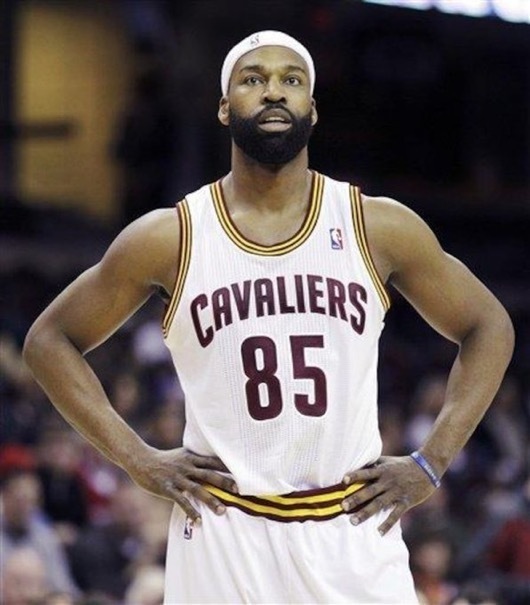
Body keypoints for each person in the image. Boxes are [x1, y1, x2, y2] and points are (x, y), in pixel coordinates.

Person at [23, 30, 514, 604]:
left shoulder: (376, 226)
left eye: (291, 80)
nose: (274, 92)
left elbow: (488, 326)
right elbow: (48, 340)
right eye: (253, 79)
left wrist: (432, 462)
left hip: (349, 529)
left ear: (313, 108)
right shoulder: (171, 237)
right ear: (224, 107)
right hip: (223, 532)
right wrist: (137, 460)